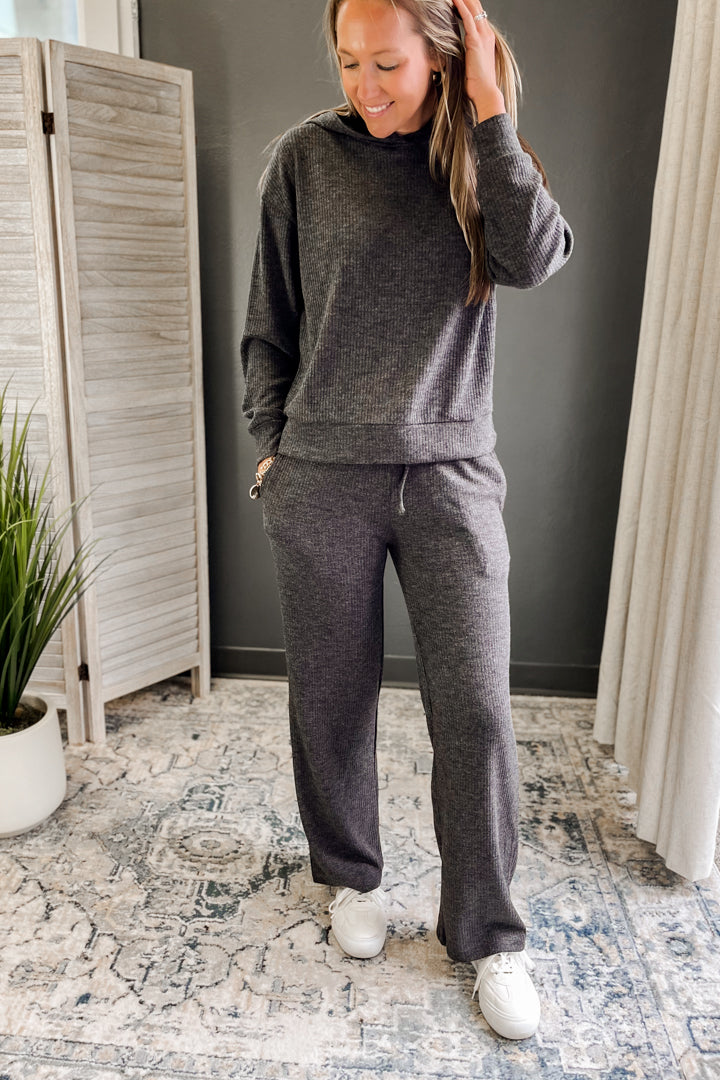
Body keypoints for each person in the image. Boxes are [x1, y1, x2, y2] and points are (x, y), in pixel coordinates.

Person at [241, 0, 573, 1041]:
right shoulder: (304, 158)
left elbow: (534, 259)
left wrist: (491, 116)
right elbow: (269, 320)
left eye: (386, 63)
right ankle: (352, 879)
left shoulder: (481, 156)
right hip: (323, 476)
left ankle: (490, 936)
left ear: (439, 56)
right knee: (331, 702)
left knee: (474, 711)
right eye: (348, 61)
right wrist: (273, 444)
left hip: (450, 477)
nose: (363, 84)